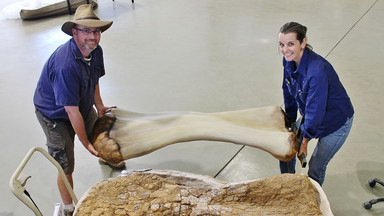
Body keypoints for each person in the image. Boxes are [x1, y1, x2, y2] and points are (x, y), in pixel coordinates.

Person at [33, 4, 115, 215]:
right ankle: (69, 209)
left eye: (96, 31)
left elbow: (94, 79)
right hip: (55, 116)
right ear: (75, 33)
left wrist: (99, 106)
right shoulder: (65, 65)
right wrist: (85, 142)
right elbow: (71, 112)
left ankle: (103, 155)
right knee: (65, 164)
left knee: (100, 131)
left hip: (81, 103)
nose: (93, 36)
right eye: (86, 31)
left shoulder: (95, 51)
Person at [278, 22, 354, 186]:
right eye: (281, 44)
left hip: (336, 122)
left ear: (303, 42)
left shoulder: (316, 71)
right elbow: (288, 90)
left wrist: (304, 140)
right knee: (286, 150)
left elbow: (315, 110)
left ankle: (313, 202)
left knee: (316, 167)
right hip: (314, 115)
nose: (285, 50)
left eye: (291, 44)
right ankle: (287, 186)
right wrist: (289, 122)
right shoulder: (289, 61)